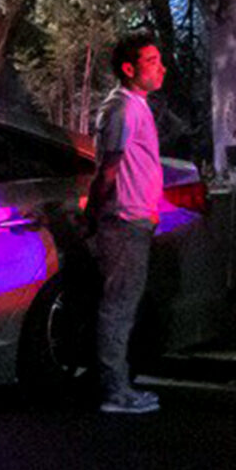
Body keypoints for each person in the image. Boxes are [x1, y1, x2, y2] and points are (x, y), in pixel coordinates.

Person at [85, 32, 167, 415]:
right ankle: (115, 392)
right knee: (118, 307)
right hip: (124, 221)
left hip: (133, 219)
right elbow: (108, 171)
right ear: (129, 68)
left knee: (121, 305)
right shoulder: (123, 109)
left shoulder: (135, 105)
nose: (161, 67)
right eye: (151, 61)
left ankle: (117, 385)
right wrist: (96, 214)